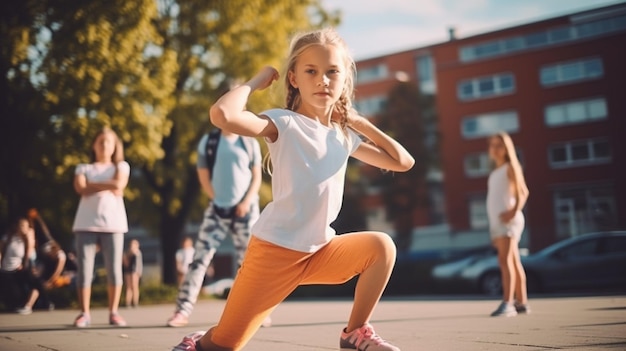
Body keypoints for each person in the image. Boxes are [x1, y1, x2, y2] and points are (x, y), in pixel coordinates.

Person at [171, 28, 414, 351]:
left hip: (321, 251)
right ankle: (199, 340)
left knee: (381, 246)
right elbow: (223, 115)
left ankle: (354, 333)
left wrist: (357, 121)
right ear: (294, 79)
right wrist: (257, 80)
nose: (322, 80)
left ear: (344, 80)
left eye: (332, 72)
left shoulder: (344, 137)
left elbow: (403, 161)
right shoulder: (283, 124)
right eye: (311, 71)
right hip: (273, 253)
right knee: (223, 346)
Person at [166, 117, 263, 328]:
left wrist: (245, 202)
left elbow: (257, 177)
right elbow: (203, 175)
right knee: (199, 259)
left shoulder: (249, 141)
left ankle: (253, 312)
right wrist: (216, 200)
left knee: (249, 262)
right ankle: (182, 311)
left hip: (245, 210)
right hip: (217, 209)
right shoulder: (209, 142)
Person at [71, 127, 130, 327]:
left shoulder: (121, 166)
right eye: (101, 141)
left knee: (114, 270)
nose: (104, 145)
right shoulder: (83, 168)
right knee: (84, 271)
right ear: (94, 145)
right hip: (85, 224)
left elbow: (119, 186)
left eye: (108, 142)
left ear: (115, 146)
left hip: (113, 224)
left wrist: (93, 185)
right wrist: (108, 185)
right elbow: (81, 188)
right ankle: (84, 313)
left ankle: (114, 312)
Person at [486, 132, 530, 317]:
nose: (496, 148)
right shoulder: (495, 171)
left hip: (509, 220)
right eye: (493, 145)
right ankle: (522, 303)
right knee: (513, 261)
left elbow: (524, 192)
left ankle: (508, 303)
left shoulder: (510, 167)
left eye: (500, 145)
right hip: (498, 223)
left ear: (507, 148)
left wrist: (513, 211)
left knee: (504, 261)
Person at [0, 216, 37, 313]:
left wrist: (24, 264)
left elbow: (29, 253)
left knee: (33, 285)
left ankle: (28, 305)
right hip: (6, 268)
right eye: (21, 225)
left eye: (25, 225)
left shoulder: (28, 239)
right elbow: (1, 250)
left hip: (19, 269)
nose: (22, 227)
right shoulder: (8, 237)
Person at [123, 239, 143, 308]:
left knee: (135, 287)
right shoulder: (127, 253)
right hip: (128, 271)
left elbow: (139, 264)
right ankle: (128, 302)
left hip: (135, 271)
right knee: (129, 287)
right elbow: (125, 263)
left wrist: (139, 272)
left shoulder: (138, 253)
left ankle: (135, 302)